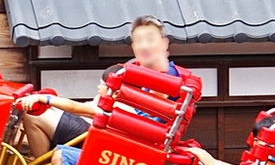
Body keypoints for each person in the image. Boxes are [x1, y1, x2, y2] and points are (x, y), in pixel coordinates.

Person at [19, 15, 181, 156]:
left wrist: (46, 98)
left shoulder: (167, 73)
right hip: (111, 130)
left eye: (150, 40)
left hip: (119, 142)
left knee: (34, 116)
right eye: (139, 41)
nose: (144, 46)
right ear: (132, 46)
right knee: (47, 111)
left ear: (165, 43)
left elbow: (157, 102)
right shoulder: (138, 71)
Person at [15, 65, 123, 165]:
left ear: (115, 91)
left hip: (94, 141)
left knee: (33, 117)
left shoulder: (116, 104)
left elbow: (74, 108)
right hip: (90, 132)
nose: (98, 87)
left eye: (102, 84)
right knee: (43, 112)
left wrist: (43, 98)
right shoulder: (109, 98)